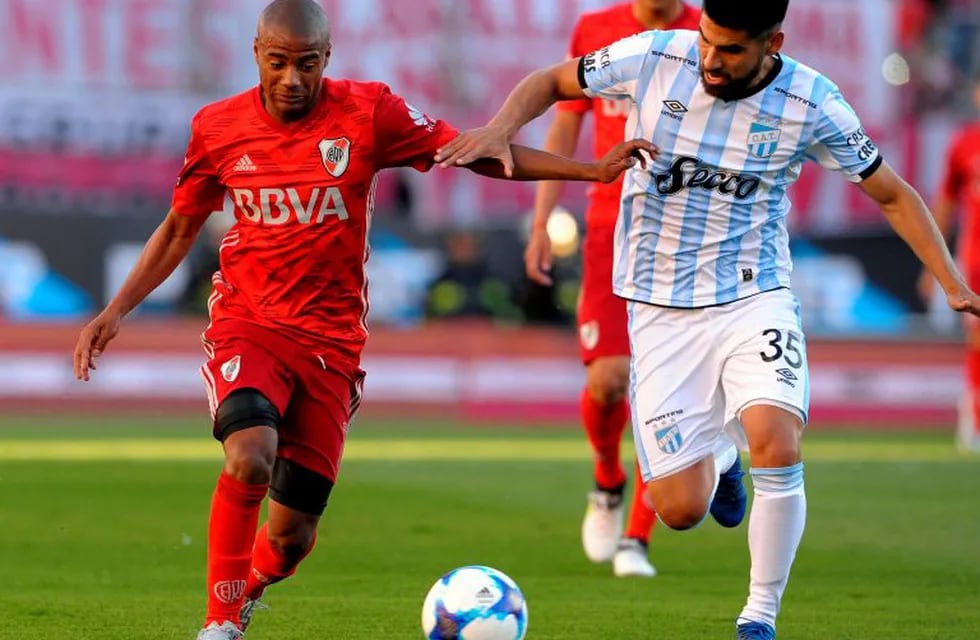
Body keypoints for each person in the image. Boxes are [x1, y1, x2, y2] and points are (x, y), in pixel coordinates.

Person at [71, 2, 654, 639]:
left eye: (307, 63)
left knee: (291, 539)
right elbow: (181, 226)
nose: (292, 78)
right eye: (278, 62)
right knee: (249, 456)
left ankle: (252, 587)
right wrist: (116, 310)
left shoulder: (369, 112)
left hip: (330, 344)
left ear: (328, 57)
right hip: (249, 321)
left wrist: (590, 171)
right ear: (256, 52)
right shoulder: (218, 127)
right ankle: (219, 625)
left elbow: (472, 152)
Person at [434, 0, 980, 637]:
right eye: (707, 43)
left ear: (772, 42)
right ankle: (721, 457)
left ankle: (760, 614)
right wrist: (502, 124)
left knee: (778, 439)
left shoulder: (814, 103)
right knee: (679, 509)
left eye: (730, 51)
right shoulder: (656, 54)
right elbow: (551, 82)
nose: (711, 61)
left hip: (755, 295)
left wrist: (953, 282)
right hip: (659, 309)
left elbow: (892, 193)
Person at [529, 0, 702, 579]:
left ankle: (637, 537)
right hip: (612, 224)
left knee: (665, 386)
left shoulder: (711, 32)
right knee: (607, 381)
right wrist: (541, 220)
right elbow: (567, 116)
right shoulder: (595, 29)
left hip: (686, 232)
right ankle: (608, 481)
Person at [918, 81, 980, 451]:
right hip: (975, 262)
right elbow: (944, 202)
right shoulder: (964, 145)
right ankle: (973, 418)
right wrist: (932, 265)